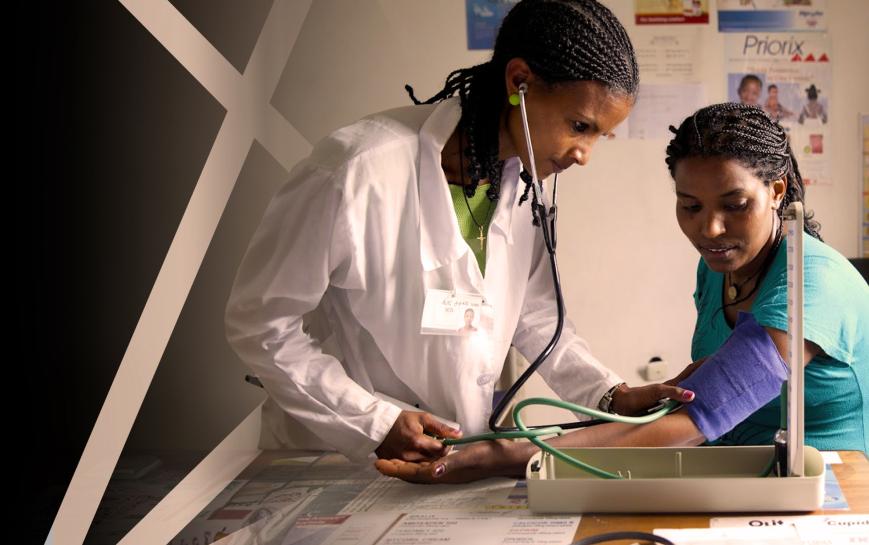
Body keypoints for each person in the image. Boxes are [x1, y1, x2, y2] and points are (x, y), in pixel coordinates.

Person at [224, 0, 696, 465]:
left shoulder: (521, 183)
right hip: (335, 456)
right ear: (519, 82)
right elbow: (261, 323)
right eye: (579, 126)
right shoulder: (355, 170)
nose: (584, 154)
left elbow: (533, 317)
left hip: (450, 452)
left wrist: (609, 394)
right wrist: (374, 421)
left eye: (599, 136)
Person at [376, 103, 868, 483]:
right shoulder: (718, 269)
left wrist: (500, 456)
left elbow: (696, 420)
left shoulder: (811, 283)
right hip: (739, 471)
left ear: (778, 192)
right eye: (690, 206)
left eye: (735, 204)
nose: (711, 229)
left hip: (831, 486)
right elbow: (697, 408)